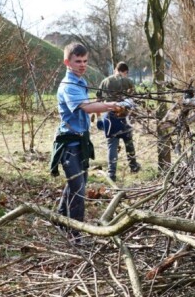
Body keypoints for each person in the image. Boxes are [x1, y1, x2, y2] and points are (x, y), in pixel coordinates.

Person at [49, 42, 128, 242]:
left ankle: (59, 218)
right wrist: (111, 105)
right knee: (79, 190)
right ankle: (74, 235)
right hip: (69, 144)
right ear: (67, 62)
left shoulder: (80, 82)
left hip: (81, 142)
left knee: (78, 183)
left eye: (85, 61)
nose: (82, 65)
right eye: (78, 61)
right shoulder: (68, 86)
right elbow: (86, 106)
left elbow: (91, 105)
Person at [96, 62, 141, 181]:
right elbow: (134, 100)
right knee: (128, 142)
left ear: (116, 69)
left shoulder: (105, 81)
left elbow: (98, 100)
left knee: (112, 145)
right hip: (125, 116)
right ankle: (133, 166)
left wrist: (99, 118)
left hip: (110, 116)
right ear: (125, 71)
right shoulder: (129, 82)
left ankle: (111, 173)